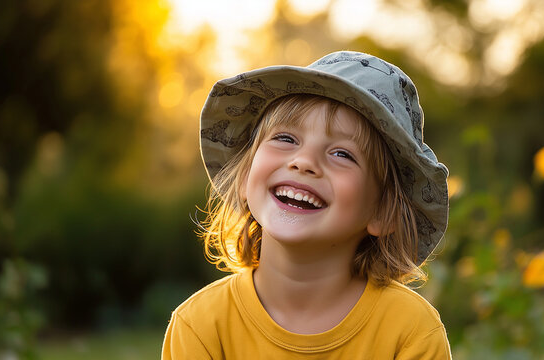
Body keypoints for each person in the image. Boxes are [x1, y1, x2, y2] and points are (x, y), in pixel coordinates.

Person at [162, 51, 451, 359]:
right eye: (286, 138)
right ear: (245, 176)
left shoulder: (410, 331)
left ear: (383, 211)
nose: (303, 162)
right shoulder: (201, 326)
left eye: (342, 154)